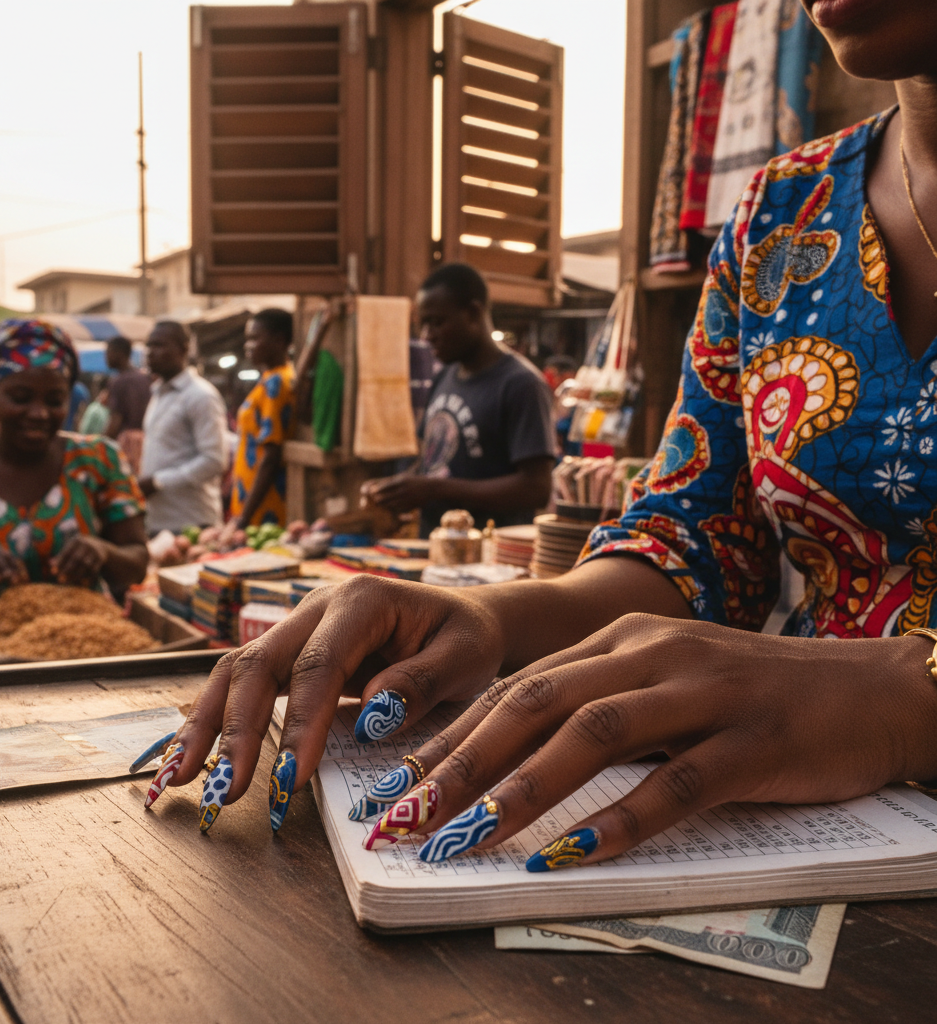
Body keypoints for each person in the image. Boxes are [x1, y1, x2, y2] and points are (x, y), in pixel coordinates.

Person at [142, 0, 937, 862]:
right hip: (812, 820)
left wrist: (900, 695)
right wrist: (492, 619)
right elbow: (698, 537)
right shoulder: (785, 211)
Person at [0, 319, 148, 614]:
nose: (39, 413)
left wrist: (104, 552)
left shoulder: (99, 459)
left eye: (55, 400)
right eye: (20, 398)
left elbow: (137, 564)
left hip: (87, 639)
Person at [363, 263, 556, 536]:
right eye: (423, 324)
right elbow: (435, 461)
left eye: (437, 322)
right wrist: (397, 488)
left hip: (490, 561)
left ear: (474, 314)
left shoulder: (521, 384)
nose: (427, 336)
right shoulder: (445, 376)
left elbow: (536, 489)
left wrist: (435, 489)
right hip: (436, 548)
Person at [138, 320, 228, 535]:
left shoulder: (200, 395)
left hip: (192, 522)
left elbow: (214, 461)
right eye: (149, 346)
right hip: (158, 520)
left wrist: (158, 482)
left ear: (184, 349)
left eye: (159, 345)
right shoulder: (158, 393)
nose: (150, 353)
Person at [219, 309, 295, 540]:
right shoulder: (271, 378)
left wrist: (244, 518)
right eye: (247, 339)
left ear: (279, 340)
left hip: (262, 508)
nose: (248, 346)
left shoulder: (277, 382)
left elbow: (271, 454)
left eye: (255, 338)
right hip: (251, 504)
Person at [103, 335, 150, 473]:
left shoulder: (118, 382)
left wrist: (100, 443)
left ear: (119, 354)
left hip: (126, 445)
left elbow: (115, 422)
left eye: (108, 352)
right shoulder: (144, 378)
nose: (106, 357)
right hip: (146, 443)